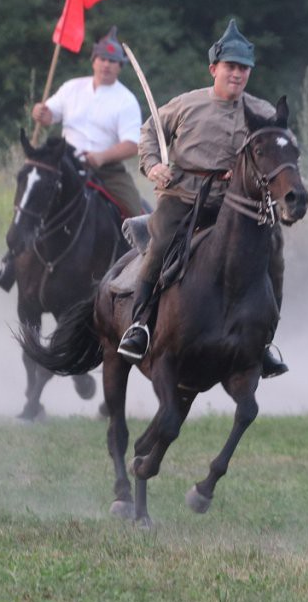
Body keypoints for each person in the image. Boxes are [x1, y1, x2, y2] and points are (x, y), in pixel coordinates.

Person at [115, 19, 289, 378]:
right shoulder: (185, 105)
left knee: (275, 251)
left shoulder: (262, 113)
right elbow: (149, 133)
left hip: (237, 205)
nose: (238, 74)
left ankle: (264, 341)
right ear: (214, 69)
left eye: (244, 68)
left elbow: (275, 152)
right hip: (182, 197)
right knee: (160, 246)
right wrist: (152, 167)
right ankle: (141, 325)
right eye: (231, 67)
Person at [0, 26, 144, 291]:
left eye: (113, 62)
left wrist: (102, 157)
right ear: (94, 60)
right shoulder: (72, 88)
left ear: (120, 67)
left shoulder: (125, 100)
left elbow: (133, 144)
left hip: (106, 169)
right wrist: (40, 113)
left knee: (134, 210)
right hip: (64, 162)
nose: (107, 65)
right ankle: (9, 265)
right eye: (103, 59)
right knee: (30, 200)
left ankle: (137, 272)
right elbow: (50, 115)